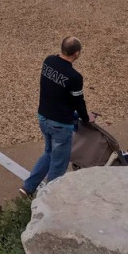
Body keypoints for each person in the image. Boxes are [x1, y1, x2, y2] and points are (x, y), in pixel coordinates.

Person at [20, 37, 90, 197]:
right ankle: (49, 198)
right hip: (60, 124)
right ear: (77, 53)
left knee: (49, 153)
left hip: (43, 116)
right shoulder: (74, 77)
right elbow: (78, 101)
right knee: (59, 164)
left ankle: (28, 187)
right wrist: (85, 118)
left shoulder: (49, 61)